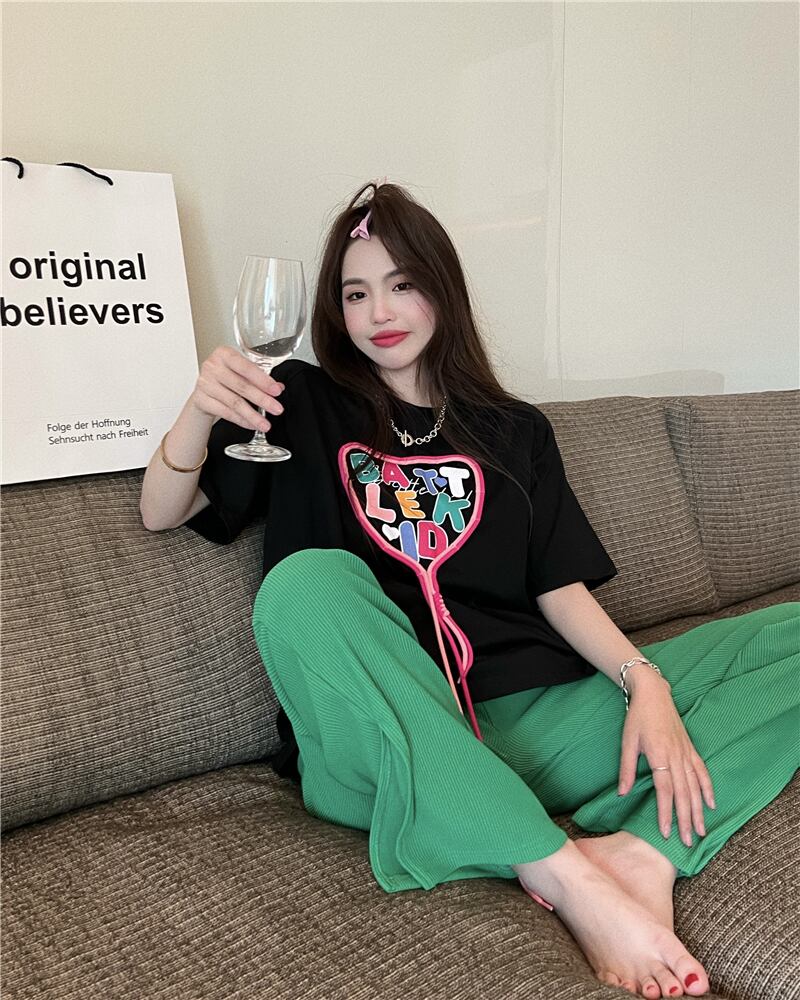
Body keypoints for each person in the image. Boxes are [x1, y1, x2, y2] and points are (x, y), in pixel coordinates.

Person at [140, 181, 799, 1000]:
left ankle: (643, 854)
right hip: (384, 745)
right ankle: (565, 874)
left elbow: (558, 590)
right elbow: (163, 511)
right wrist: (198, 413)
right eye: (355, 292)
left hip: (529, 728)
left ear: (442, 288)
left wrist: (648, 683)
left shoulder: (515, 429)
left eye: (402, 283)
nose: (379, 310)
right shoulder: (301, 400)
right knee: (304, 581)